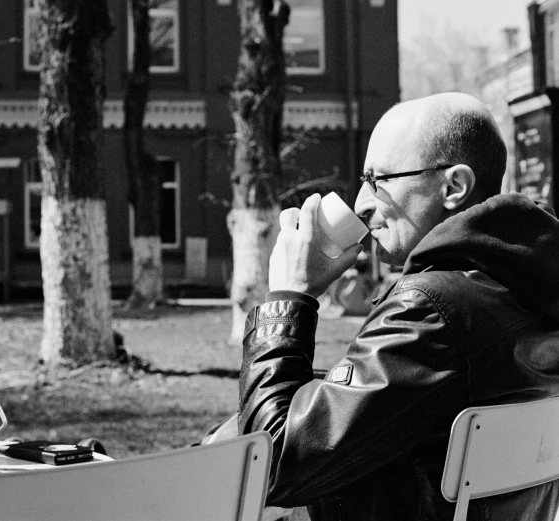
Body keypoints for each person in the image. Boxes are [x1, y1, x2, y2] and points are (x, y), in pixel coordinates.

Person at [238, 92, 559, 521]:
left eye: (378, 181)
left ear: (454, 187)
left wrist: (289, 297)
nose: (361, 203)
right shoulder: (521, 287)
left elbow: (272, 461)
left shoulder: (430, 312)